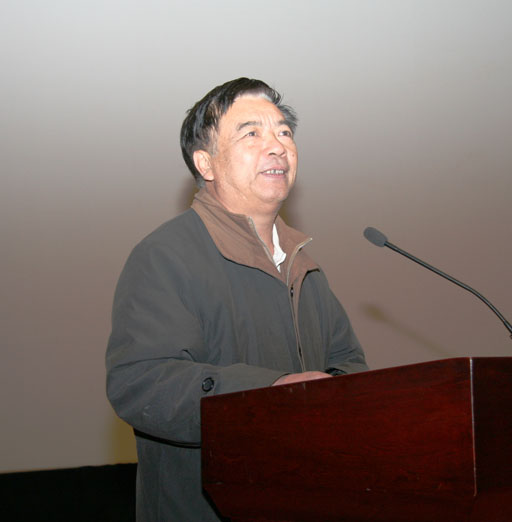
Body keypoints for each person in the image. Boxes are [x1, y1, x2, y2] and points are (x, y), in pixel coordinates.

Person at [106, 78, 368, 521]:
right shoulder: (165, 255)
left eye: (284, 132)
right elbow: (141, 383)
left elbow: (349, 364)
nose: (278, 146)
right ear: (205, 163)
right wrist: (271, 395)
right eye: (252, 133)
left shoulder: (304, 267)